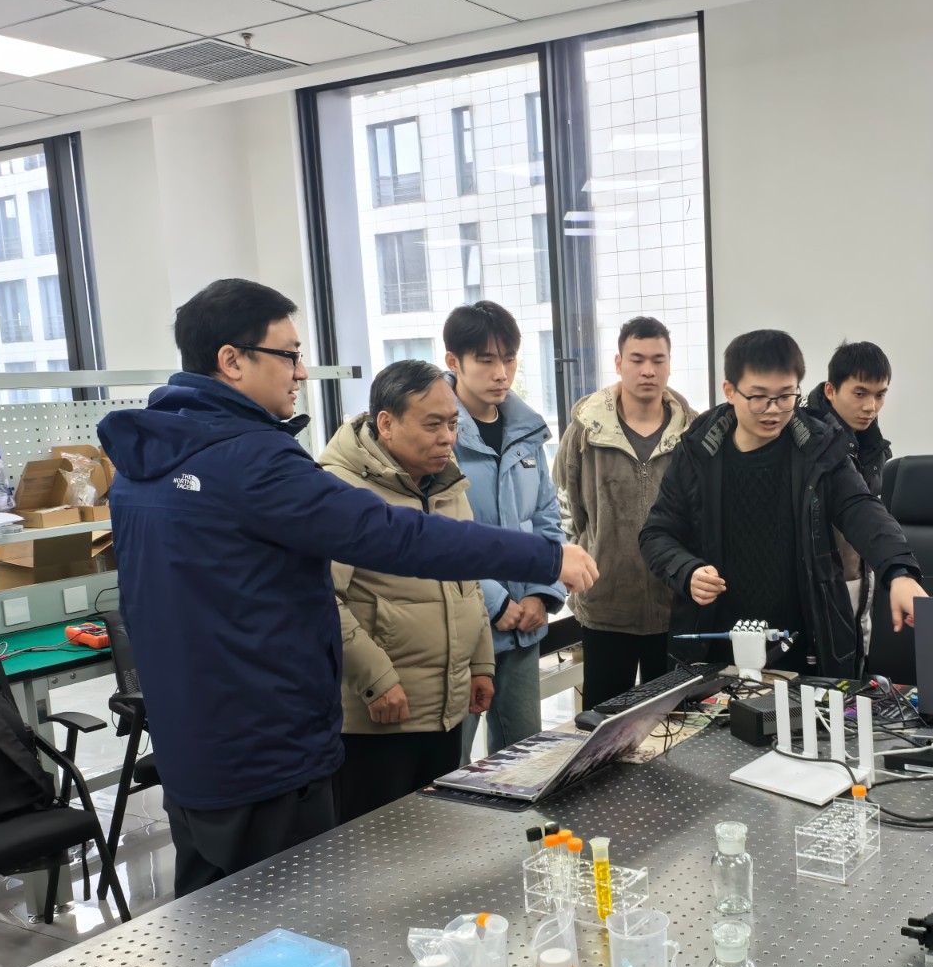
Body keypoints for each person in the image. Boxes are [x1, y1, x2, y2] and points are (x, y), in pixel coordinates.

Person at [99, 279, 597, 895]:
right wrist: (546, 555)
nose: (301, 371)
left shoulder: (145, 459)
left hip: (192, 748)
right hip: (269, 751)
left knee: (213, 922)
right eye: (288, 355)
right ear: (231, 360)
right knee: (295, 921)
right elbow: (391, 535)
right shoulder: (252, 461)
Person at [639, 329, 926, 679]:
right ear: (730, 390)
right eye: (759, 397)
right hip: (714, 647)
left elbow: (861, 509)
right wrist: (687, 571)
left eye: (785, 396)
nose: (773, 410)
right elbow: (656, 533)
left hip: (806, 647)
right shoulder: (697, 452)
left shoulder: (819, 448)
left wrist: (899, 571)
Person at [321, 359, 494, 822]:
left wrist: (481, 664)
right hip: (378, 717)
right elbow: (320, 598)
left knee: (436, 838)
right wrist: (376, 680)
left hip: (444, 710)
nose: (447, 438)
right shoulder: (339, 490)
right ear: (386, 423)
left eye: (453, 424)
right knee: (379, 847)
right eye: (432, 425)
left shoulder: (447, 483)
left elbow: (468, 581)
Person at [554, 316, 697, 707]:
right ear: (619, 363)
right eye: (637, 359)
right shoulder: (585, 430)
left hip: (674, 606)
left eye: (657, 360)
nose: (648, 370)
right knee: (604, 721)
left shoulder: (694, 432)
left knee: (674, 720)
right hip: (606, 605)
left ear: (669, 364)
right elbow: (566, 510)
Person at [445, 300, 567, 757]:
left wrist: (540, 593)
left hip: (524, 625)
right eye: (486, 360)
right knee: (451, 762)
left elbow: (547, 518)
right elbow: (440, 534)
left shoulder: (527, 431)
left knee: (525, 757)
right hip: (463, 630)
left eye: (509, 359)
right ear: (454, 361)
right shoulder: (440, 432)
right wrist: (496, 602)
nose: (501, 373)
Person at [801, 341, 893, 652]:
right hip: (818, 586)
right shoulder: (808, 442)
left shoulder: (872, 443)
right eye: (860, 394)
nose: (871, 407)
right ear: (830, 390)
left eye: (880, 395)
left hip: (859, 579)